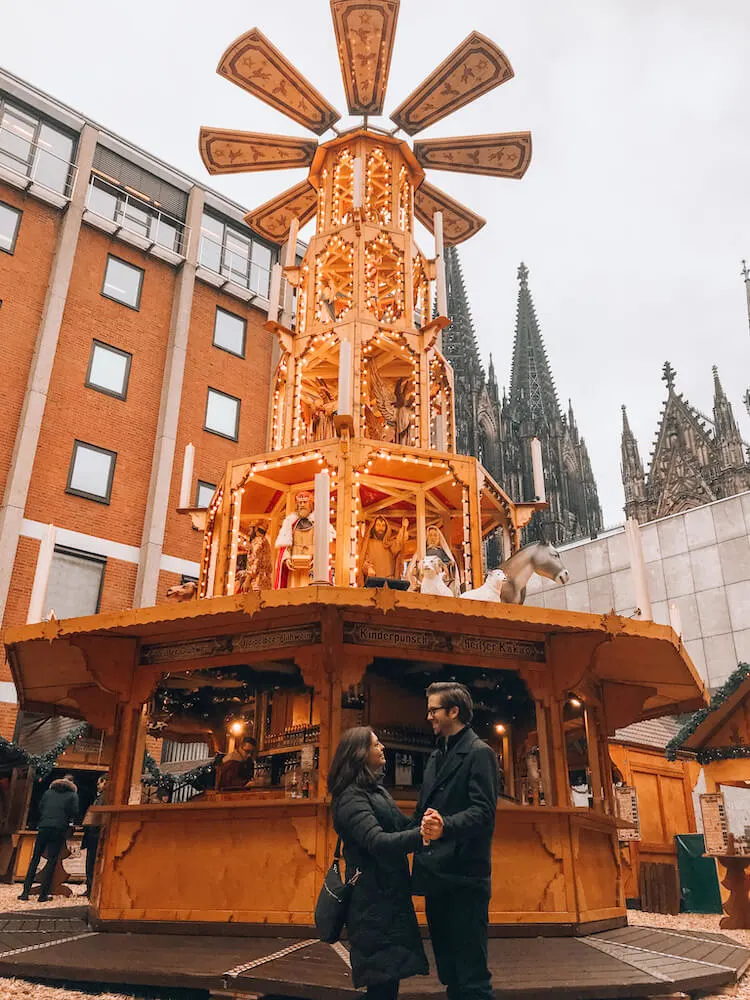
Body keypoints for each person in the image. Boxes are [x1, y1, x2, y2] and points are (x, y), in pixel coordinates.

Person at [329, 727, 429, 1000]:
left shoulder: (375, 791)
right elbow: (378, 842)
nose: (382, 747)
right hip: (372, 902)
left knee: (388, 980)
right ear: (359, 753)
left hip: (388, 897)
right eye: (376, 744)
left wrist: (427, 816)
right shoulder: (351, 797)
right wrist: (423, 836)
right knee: (382, 982)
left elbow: (400, 827)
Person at [414, 683, 499, 1000]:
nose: (428, 716)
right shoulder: (437, 756)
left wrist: (445, 826)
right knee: (449, 971)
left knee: (472, 977)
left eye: (434, 709)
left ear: (454, 711)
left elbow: (484, 812)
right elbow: (421, 815)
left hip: (465, 878)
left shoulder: (480, 753)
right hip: (436, 876)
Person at [19, 772, 79, 902]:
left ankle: (25, 892)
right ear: (72, 784)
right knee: (52, 861)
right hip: (59, 829)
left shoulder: (48, 793)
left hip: (44, 826)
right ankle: (43, 895)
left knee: (35, 858)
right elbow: (74, 811)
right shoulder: (72, 795)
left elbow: (40, 807)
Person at [81, 774, 107, 898]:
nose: (97, 786)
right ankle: (90, 887)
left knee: (92, 862)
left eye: (99, 783)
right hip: (94, 832)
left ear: (105, 782)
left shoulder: (103, 798)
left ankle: (91, 888)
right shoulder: (100, 797)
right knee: (90, 862)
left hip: (95, 832)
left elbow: (98, 814)